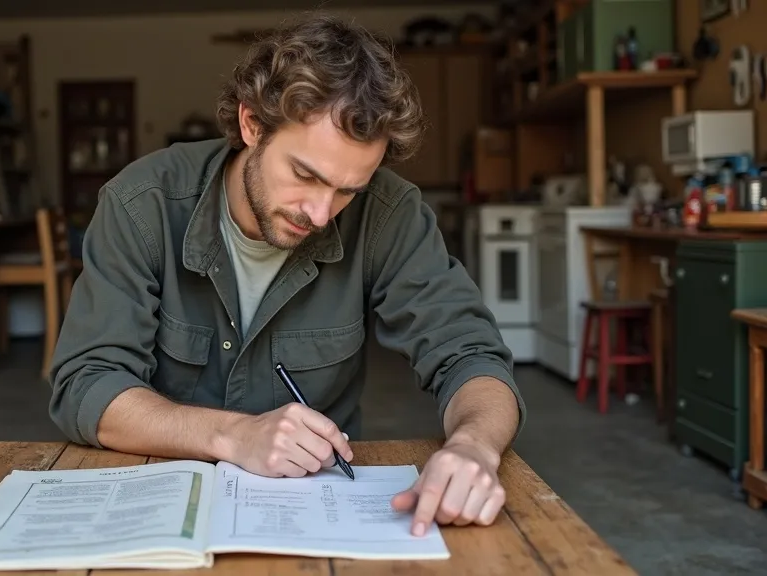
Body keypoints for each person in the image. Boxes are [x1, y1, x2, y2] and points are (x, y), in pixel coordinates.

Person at [48, 13, 525, 535]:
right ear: (252, 124)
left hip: (316, 507)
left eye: (347, 191)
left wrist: (474, 446)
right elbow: (87, 383)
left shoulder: (391, 214)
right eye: (305, 175)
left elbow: (470, 354)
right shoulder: (143, 205)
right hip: (158, 498)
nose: (320, 214)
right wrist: (233, 436)